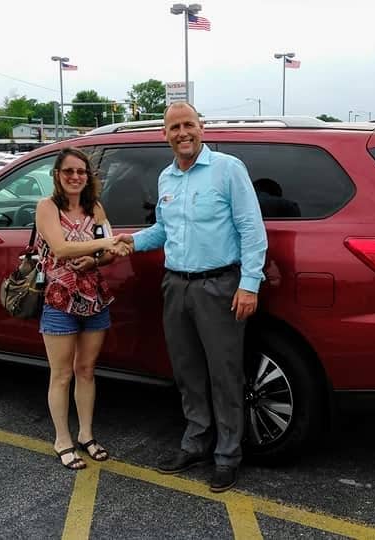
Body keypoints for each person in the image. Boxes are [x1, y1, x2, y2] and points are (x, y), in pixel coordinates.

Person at [115, 102, 268, 493]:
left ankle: (227, 455)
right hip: (176, 285)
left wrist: (249, 283)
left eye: (188, 125)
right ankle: (196, 442)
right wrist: (131, 242)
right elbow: (163, 230)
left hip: (219, 286)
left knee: (225, 374)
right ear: (164, 135)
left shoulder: (227, 170)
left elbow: (251, 229)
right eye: (173, 128)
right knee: (187, 371)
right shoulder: (167, 178)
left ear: (201, 127)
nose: (182, 133)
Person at [35, 147, 125, 471]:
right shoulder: (47, 207)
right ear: (57, 176)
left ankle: (86, 435)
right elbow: (60, 248)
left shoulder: (94, 208)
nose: (75, 177)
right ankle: (63, 439)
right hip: (60, 298)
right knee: (61, 374)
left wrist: (98, 257)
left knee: (86, 370)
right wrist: (104, 244)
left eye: (81, 172)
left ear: (89, 177)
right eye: (68, 172)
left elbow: (110, 253)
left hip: (93, 297)